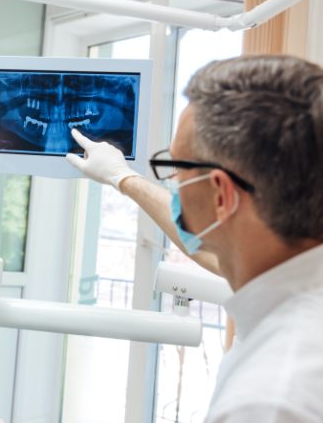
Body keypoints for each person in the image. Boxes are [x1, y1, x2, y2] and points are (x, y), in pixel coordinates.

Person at [66, 54, 323, 422]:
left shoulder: (269, 399)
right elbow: (218, 251)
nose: (173, 185)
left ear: (221, 195)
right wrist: (122, 177)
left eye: (175, 167)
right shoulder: (291, 278)